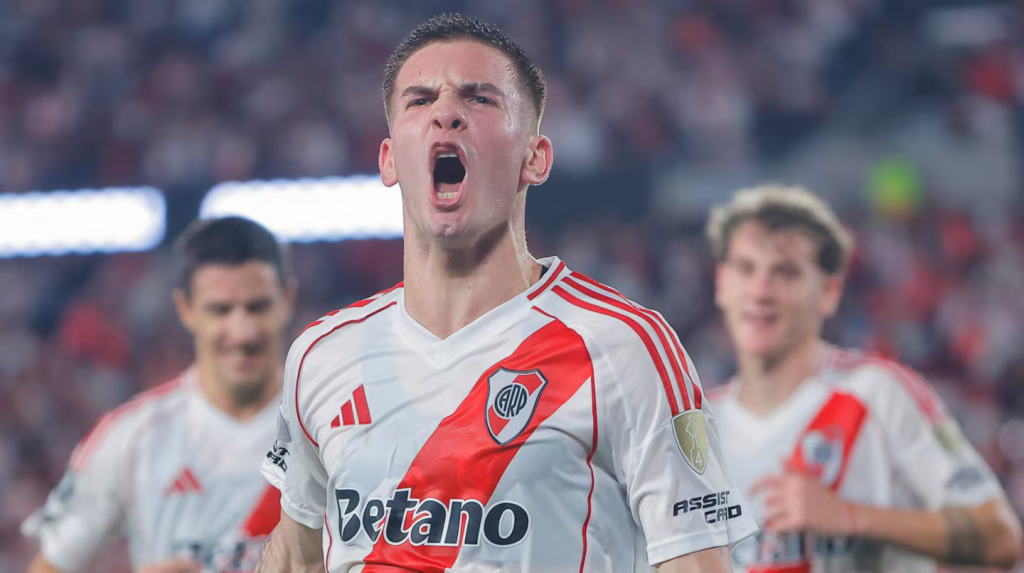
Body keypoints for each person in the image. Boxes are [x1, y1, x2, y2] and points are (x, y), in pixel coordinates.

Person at [255, 12, 757, 573]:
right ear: (389, 160)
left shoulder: (624, 347)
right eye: (420, 100)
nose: (446, 112)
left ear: (534, 159)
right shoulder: (321, 354)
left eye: (480, 99)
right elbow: (295, 555)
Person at [705, 185, 1023, 572]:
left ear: (829, 291)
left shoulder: (878, 392)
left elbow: (999, 536)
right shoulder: (698, 428)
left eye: (785, 272)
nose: (760, 291)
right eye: (745, 268)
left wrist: (851, 517)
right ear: (722, 283)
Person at [22, 217, 297, 573]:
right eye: (220, 310)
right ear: (185, 308)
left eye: (257, 307)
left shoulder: (332, 427)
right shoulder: (131, 436)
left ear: (287, 299)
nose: (242, 331)